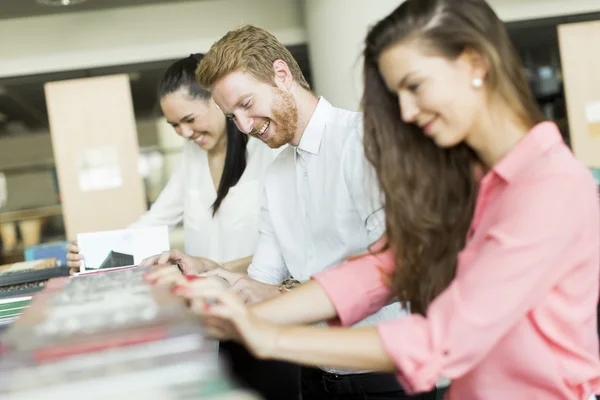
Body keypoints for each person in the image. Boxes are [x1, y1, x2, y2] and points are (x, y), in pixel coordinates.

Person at [170, 1, 600, 399]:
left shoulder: (550, 186)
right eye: (398, 95)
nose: (407, 112)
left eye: (414, 87)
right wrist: (243, 315)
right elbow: (388, 267)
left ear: (475, 64)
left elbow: (444, 338)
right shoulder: (478, 178)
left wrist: (270, 335)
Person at [145, 25, 435, 400]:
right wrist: (209, 279)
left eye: (246, 104)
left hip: (386, 373)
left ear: (281, 75)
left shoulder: (363, 142)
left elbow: (398, 272)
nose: (245, 126)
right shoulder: (277, 172)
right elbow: (263, 280)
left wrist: (275, 295)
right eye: (232, 116)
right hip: (316, 372)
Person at [65, 55, 296, 400]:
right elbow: (153, 220)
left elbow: (283, 250)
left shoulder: (268, 151)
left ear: (217, 101)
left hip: (267, 312)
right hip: (211, 317)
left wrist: (215, 269)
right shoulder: (192, 157)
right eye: (174, 125)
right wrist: (92, 255)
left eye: (189, 119)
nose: (185, 133)